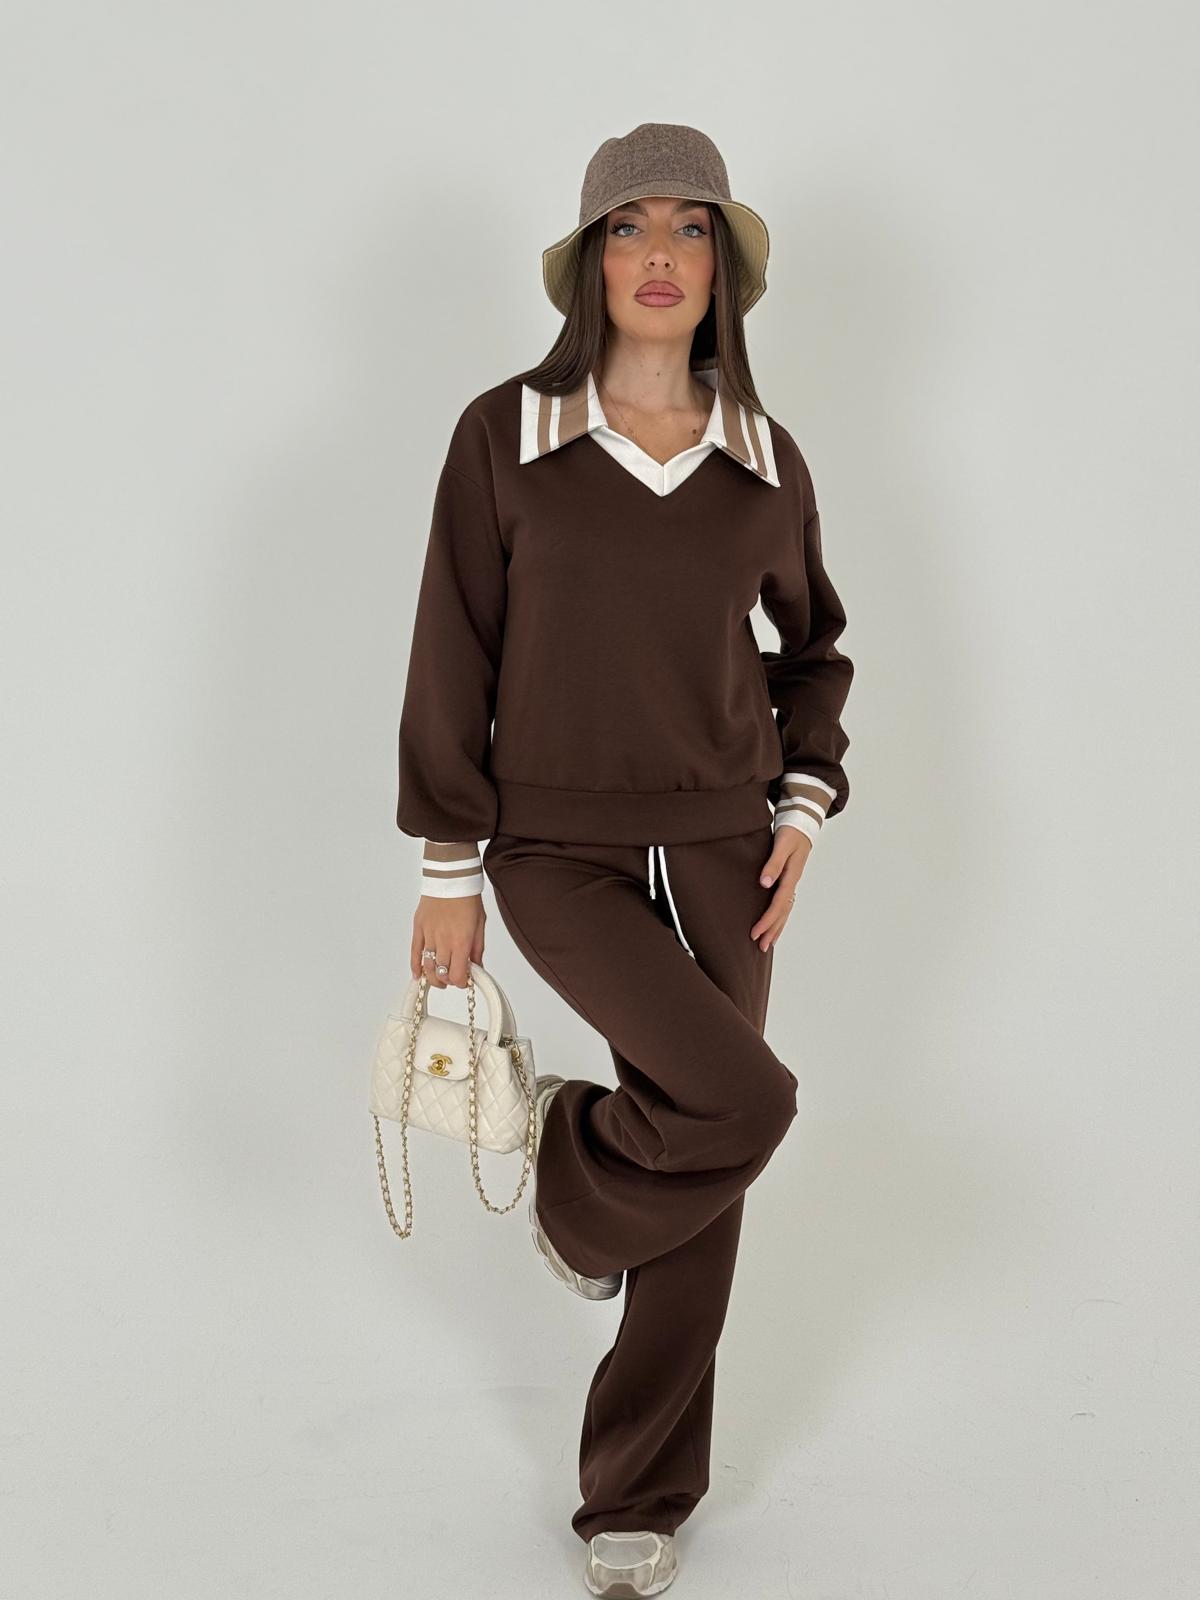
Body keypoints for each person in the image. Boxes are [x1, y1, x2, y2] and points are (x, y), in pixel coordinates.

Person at [394, 121, 853, 1599]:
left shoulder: (764, 459)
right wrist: (450, 869)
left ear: (725, 270)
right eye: (630, 227)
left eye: (691, 228)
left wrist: (801, 808)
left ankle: (635, 1495)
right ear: (591, 261)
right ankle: (577, 1182)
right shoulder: (506, 436)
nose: (660, 255)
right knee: (742, 1103)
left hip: (727, 840)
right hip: (553, 845)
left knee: (715, 1157)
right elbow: (453, 649)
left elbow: (814, 651)